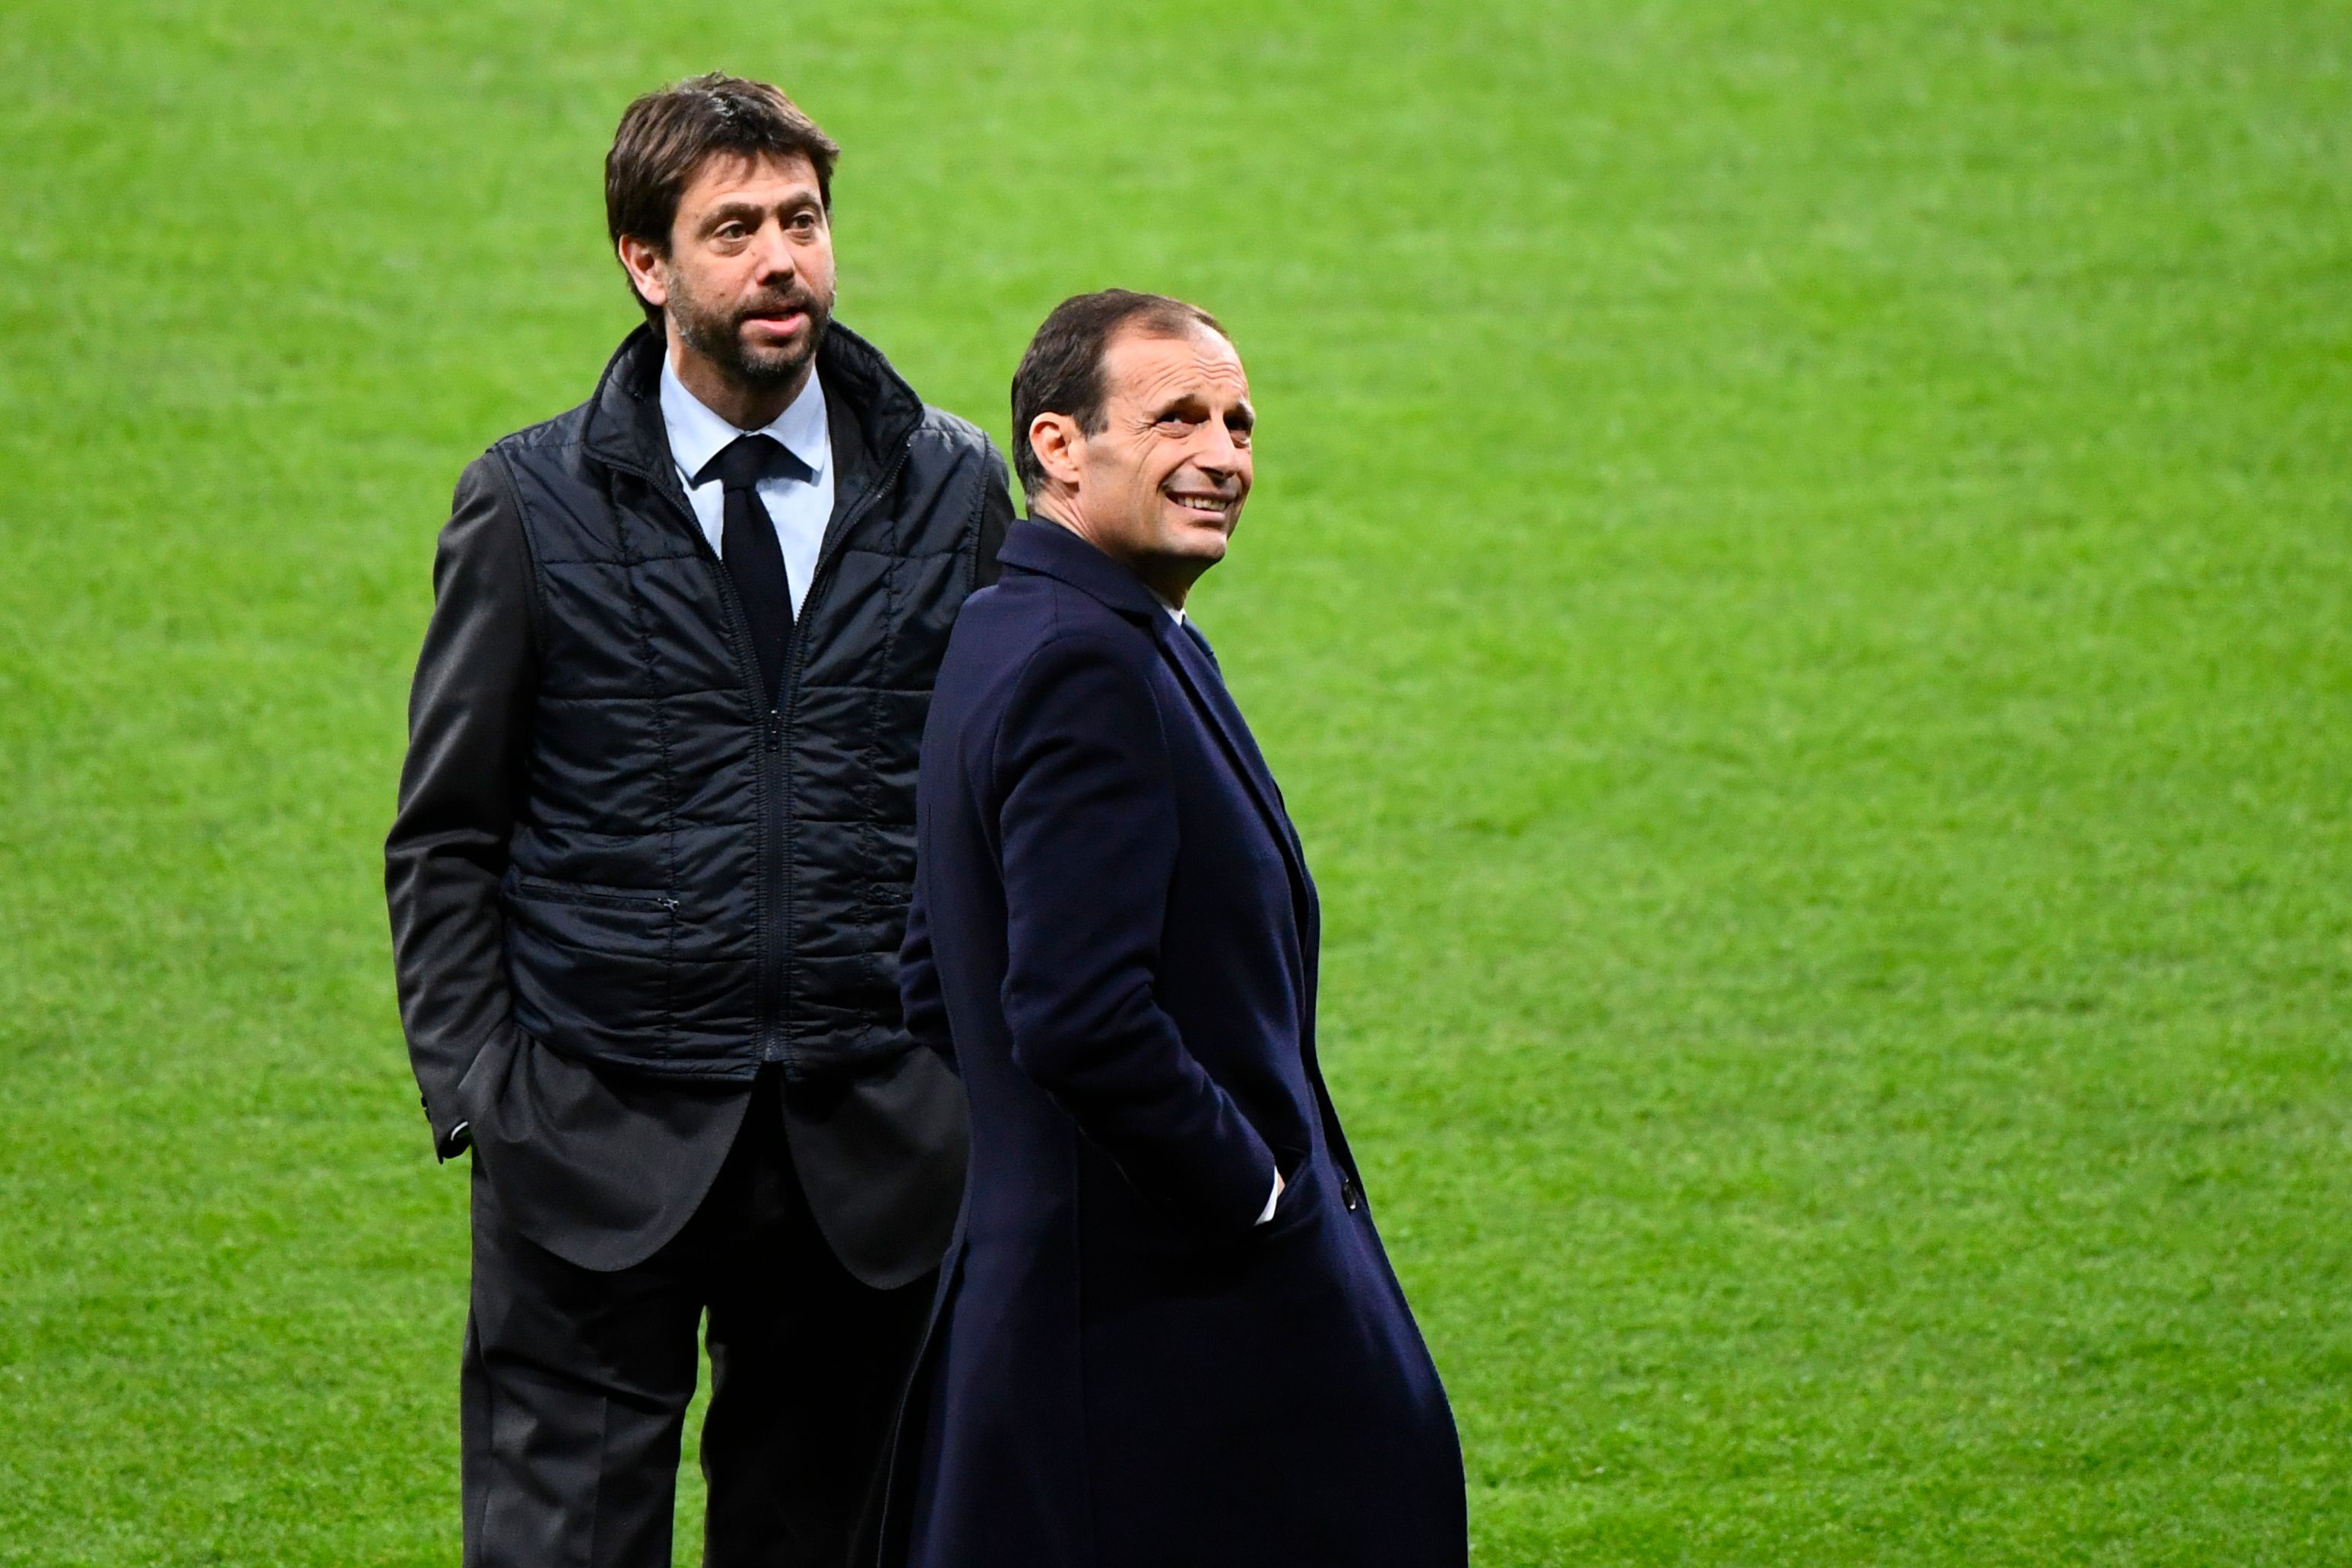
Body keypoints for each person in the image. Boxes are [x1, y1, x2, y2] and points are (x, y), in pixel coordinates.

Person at [384, 74, 1011, 1567]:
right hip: (593, 1135)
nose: (781, 259)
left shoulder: (949, 491)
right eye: (731, 230)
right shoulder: (531, 505)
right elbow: (446, 829)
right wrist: (484, 1088)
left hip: (868, 1153)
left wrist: (960, 1091)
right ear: (644, 264)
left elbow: (1000, 813)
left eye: (801, 220)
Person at [884, 290, 1468, 1566]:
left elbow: (936, 980)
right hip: (1159, 1333)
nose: (1224, 455)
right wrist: (1253, 1192)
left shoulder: (1016, 632)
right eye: (1176, 420)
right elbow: (1078, 1016)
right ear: (1056, 444)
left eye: (1239, 422)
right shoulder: (1088, 663)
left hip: (1056, 1301)